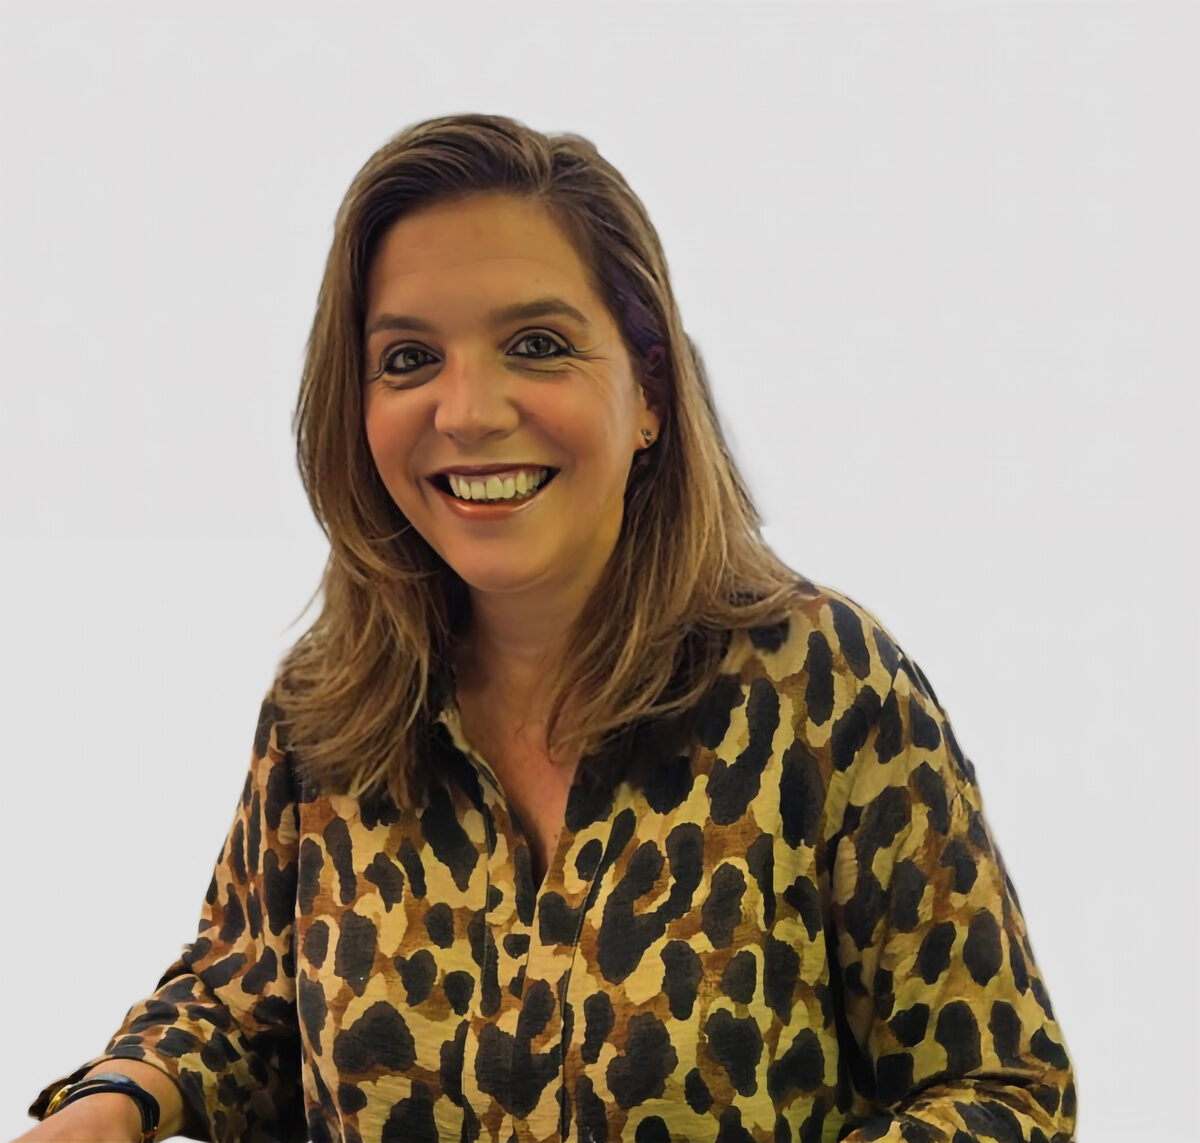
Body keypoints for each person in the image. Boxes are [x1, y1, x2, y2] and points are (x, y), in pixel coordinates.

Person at [19, 112, 1077, 1143]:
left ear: (650, 390)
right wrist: (115, 1102)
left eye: (536, 345)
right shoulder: (324, 709)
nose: (469, 411)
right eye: (408, 359)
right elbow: (245, 1001)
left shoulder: (826, 686)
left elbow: (1001, 1092)